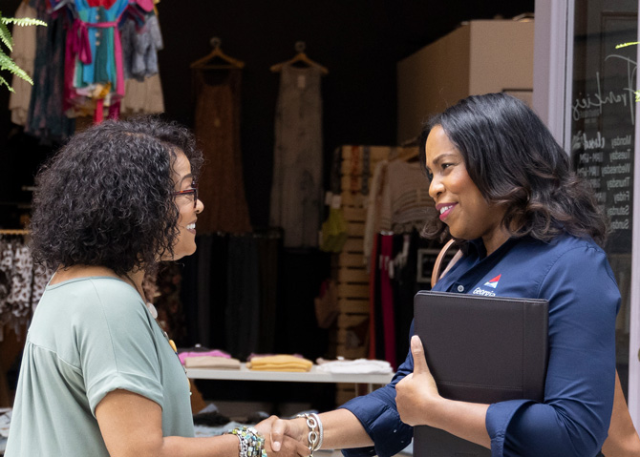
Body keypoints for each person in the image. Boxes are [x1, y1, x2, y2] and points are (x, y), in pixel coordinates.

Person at [266, 93, 620, 457]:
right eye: (431, 173)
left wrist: (435, 411)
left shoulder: (574, 267)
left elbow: (573, 433)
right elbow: (403, 398)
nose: (433, 187)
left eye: (446, 166)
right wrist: (304, 430)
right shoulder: (461, 268)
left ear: (501, 161)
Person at [5, 118, 306, 457]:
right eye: (188, 191)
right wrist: (253, 444)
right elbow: (142, 452)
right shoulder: (108, 303)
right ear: (140, 203)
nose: (199, 205)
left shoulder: (75, 285)